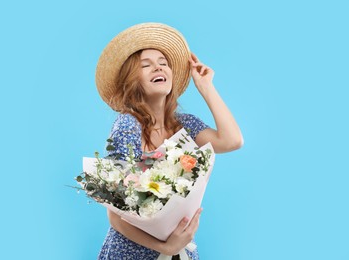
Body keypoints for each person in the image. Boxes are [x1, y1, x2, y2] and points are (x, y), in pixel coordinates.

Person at [94, 23, 243, 259]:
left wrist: (206, 87)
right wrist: (165, 247)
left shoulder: (185, 124)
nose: (158, 67)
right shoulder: (127, 126)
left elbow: (232, 141)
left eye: (163, 63)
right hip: (131, 254)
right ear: (133, 80)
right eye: (146, 65)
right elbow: (115, 214)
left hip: (179, 251)